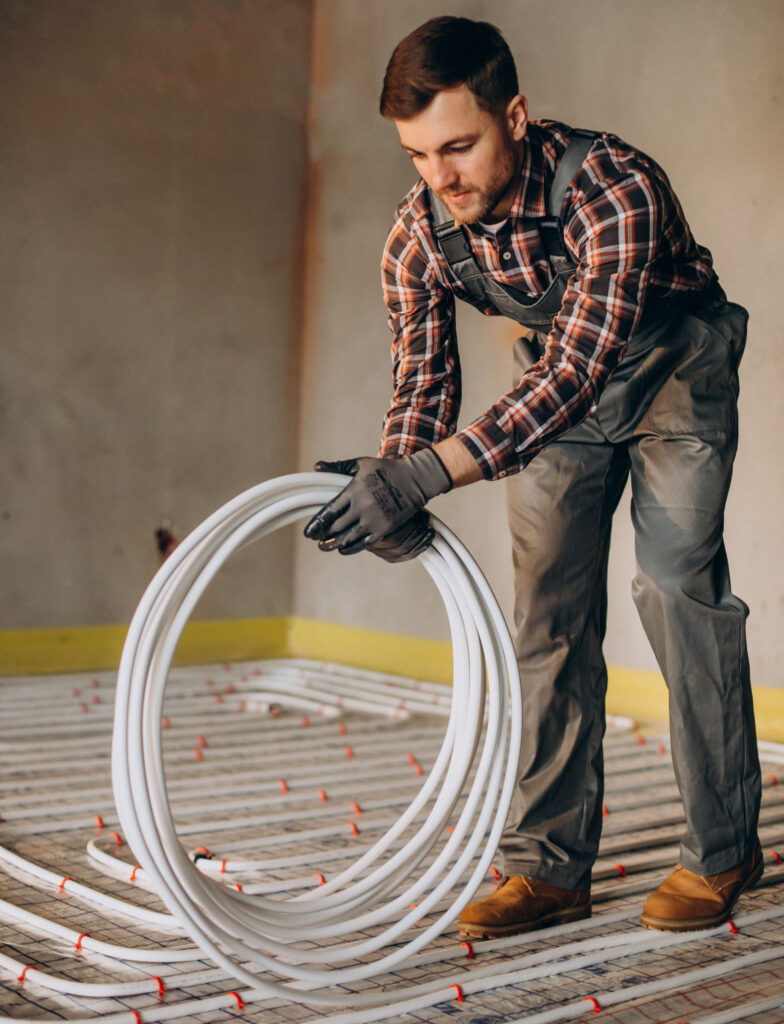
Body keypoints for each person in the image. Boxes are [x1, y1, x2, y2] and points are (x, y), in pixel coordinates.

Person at [304, 15, 762, 937]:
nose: (442, 178)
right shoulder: (417, 237)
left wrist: (430, 474)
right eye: (419, 154)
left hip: (671, 371)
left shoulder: (612, 184)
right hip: (556, 393)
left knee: (677, 588)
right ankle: (548, 869)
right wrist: (398, 480)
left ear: (514, 115)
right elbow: (423, 384)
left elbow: (578, 369)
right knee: (545, 614)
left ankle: (722, 851)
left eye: (460, 146)